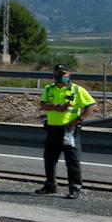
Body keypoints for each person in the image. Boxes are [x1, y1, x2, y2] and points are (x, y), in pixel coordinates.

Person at [38, 64, 96, 198]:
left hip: (69, 130)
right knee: (50, 159)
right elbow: (42, 105)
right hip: (53, 129)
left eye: (63, 74)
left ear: (68, 75)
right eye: (57, 73)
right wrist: (56, 107)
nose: (60, 76)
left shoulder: (76, 90)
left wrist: (79, 120)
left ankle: (74, 188)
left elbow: (91, 106)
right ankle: (50, 185)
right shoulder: (49, 89)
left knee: (72, 160)